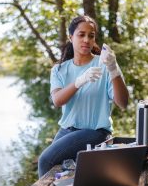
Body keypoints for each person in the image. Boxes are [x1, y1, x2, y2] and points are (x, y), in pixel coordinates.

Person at [38, 15, 129, 177]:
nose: (86, 39)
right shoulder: (59, 70)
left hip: (95, 132)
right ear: (70, 37)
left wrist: (114, 69)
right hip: (66, 130)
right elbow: (57, 100)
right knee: (54, 171)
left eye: (91, 35)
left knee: (45, 160)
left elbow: (122, 103)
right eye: (81, 34)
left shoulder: (105, 63)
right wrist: (80, 81)